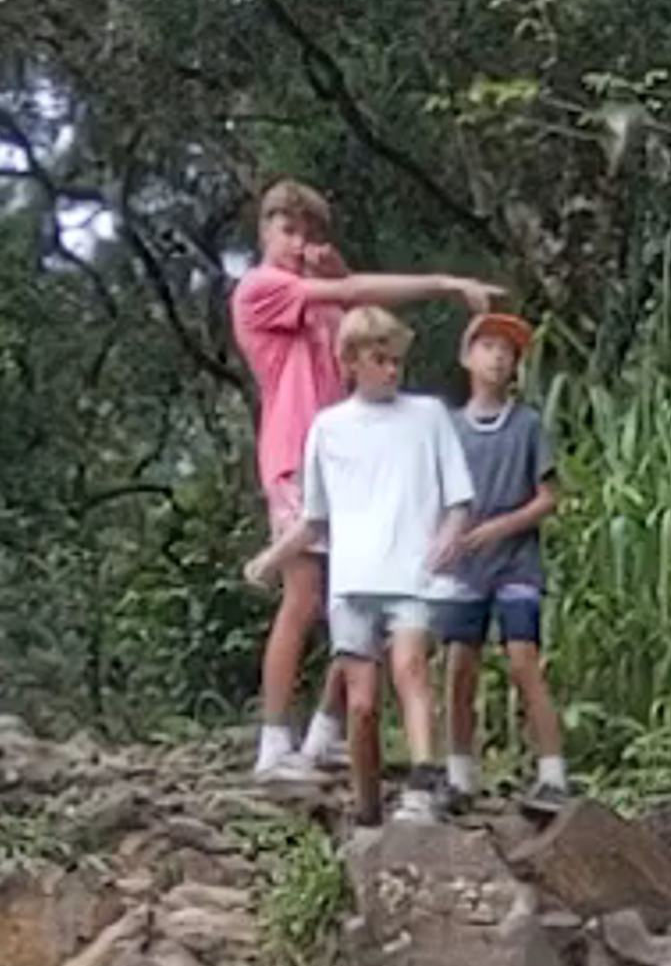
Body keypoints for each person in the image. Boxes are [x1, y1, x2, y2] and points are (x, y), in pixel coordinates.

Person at [230, 183, 494, 790]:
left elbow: (368, 332)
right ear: (265, 231)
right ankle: (273, 742)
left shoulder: (316, 301)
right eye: (288, 231)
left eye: (308, 233)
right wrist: (445, 285)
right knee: (303, 596)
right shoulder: (263, 289)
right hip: (297, 454)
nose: (299, 246)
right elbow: (349, 296)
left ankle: (323, 733)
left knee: (360, 592)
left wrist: (341, 267)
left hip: (352, 456)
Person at [287, 301, 473, 827]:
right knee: (362, 701)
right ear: (350, 362)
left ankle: (422, 780)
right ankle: (367, 804)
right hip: (352, 580)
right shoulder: (327, 427)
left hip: (413, 573)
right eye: (379, 359)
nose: (391, 370)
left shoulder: (428, 416)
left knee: (411, 668)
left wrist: (449, 534)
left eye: (395, 360)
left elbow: (460, 497)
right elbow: (314, 518)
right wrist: (271, 559)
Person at [427, 311, 571, 810]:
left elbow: (549, 496)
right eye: (487, 347)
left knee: (523, 661)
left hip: (516, 563)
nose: (497, 357)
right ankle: (460, 775)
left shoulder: (528, 425)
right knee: (458, 666)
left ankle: (553, 774)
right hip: (464, 568)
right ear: (467, 357)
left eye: (507, 352)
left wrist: (500, 527)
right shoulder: (447, 429)